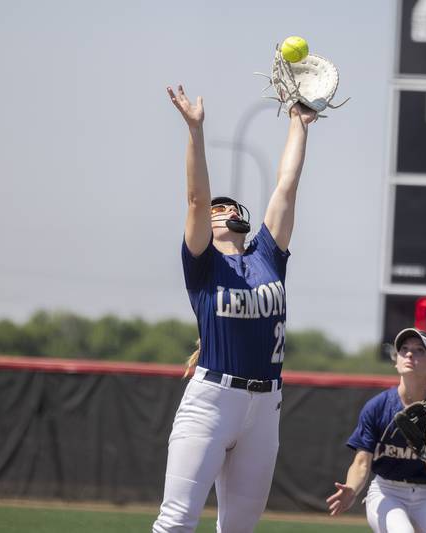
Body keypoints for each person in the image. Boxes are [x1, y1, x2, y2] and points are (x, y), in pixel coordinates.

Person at [152, 85, 317, 533]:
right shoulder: (204, 265)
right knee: (177, 521)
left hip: (266, 407)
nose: (224, 209)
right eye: (218, 208)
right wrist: (195, 131)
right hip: (212, 400)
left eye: (229, 206)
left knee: (239, 529)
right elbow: (195, 199)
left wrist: (298, 123)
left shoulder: (267, 255)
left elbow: (286, 185)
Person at [327, 328, 426, 533]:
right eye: (404, 349)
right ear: (396, 360)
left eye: (420, 350)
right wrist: (352, 489)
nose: (410, 354)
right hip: (387, 492)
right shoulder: (378, 406)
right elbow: (361, 463)